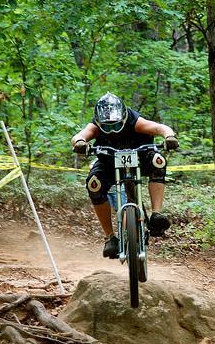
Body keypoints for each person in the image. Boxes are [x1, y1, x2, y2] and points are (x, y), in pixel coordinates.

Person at [71, 92, 179, 259]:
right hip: (108, 161)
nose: (112, 130)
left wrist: (169, 136)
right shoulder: (95, 126)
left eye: (115, 125)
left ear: (123, 118)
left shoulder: (134, 121)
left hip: (141, 157)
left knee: (158, 160)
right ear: (99, 123)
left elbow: (159, 128)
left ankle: (156, 213)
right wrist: (80, 142)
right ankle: (110, 237)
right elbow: (80, 135)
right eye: (106, 127)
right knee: (94, 184)